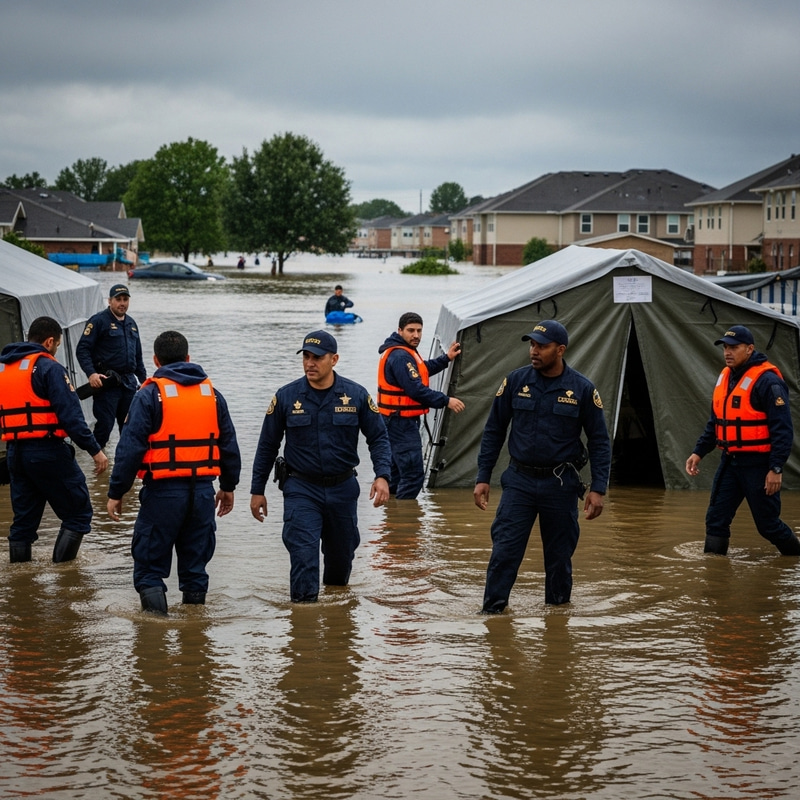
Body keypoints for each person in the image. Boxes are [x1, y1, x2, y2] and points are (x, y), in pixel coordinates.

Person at [474, 320, 611, 610]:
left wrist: (598, 488)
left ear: (560, 350)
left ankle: (558, 622)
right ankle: (492, 615)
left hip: (559, 484)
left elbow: (599, 441)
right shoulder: (515, 381)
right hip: (519, 482)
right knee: (504, 552)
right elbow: (494, 431)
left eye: (541, 346)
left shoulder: (582, 389)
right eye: (532, 344)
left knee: (559, 558)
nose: (533, 351)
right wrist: (482, 477)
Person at [250, 330, 392, 603]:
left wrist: (382, 475)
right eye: (306, 356)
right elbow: (267, 445)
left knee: (340, 565)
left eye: (317, 357)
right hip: (301, 488)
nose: (310, 363)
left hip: (343, 489)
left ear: (334, 359)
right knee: (303, 557)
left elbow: (379, 438)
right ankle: (304, 628)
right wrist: (257, 490)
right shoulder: (287, 397)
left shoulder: (356, 395)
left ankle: (337, 630)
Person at [106, 330, 241, 615]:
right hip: (203, 492)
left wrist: (117, 492)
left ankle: (155, 637)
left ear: (156, 361)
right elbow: (229, 445)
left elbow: (130, 448)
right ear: (189, 358)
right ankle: (194, 643)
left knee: (149, 569)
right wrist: (228, 486)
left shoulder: (150, 395)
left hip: (163, 494)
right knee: (195, 569)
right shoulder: (212, 395)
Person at [0, 316, 108, 563]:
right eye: (57, 345)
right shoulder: (50, 368)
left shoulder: (4, 369)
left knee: (23, 523)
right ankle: (65, 577)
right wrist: (95, 450)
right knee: (78, 514)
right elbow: (72, 418)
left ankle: (21, 584)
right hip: (47, 451)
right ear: (50, 342)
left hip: (15, 453)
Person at [685, 325, 800, 555]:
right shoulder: (726, 377)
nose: (728, 352)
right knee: (716, 520)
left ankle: (796, 560)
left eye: (734, 348)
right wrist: (698, 452)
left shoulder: (768, 382)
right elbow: (716, 423)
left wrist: (776, 468)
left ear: (749, 349)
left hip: (759, 465)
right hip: (730, 461)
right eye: (725, 348)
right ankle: (714, 576)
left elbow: (783, 430)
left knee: (768, 526)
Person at [377, 311, 465, 499]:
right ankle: (406, 523)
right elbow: (416, 389)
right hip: (401, 423)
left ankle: (392, 519)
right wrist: (446, 400)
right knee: (413, 476)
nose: (416, 335)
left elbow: (421, 370)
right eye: (411, 330)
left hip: (393, 421)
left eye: (419, 331)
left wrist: (446, 358)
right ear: (400, 331)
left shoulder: (402, 352)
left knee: (397, 474)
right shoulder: (400, 356)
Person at [76, 283, 147, 448]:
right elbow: (82, 350)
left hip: (129, 383)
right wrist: (91, 374)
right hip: (107, 383)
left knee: (129, 428)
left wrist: (144, 382)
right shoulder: (98, 321)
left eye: (125, 299)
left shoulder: (132, 324)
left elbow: (138, 357)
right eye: (118, 299)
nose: (122, 303)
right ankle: (97, 466)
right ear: (110, 301)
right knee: (104, 428)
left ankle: (124, 465)